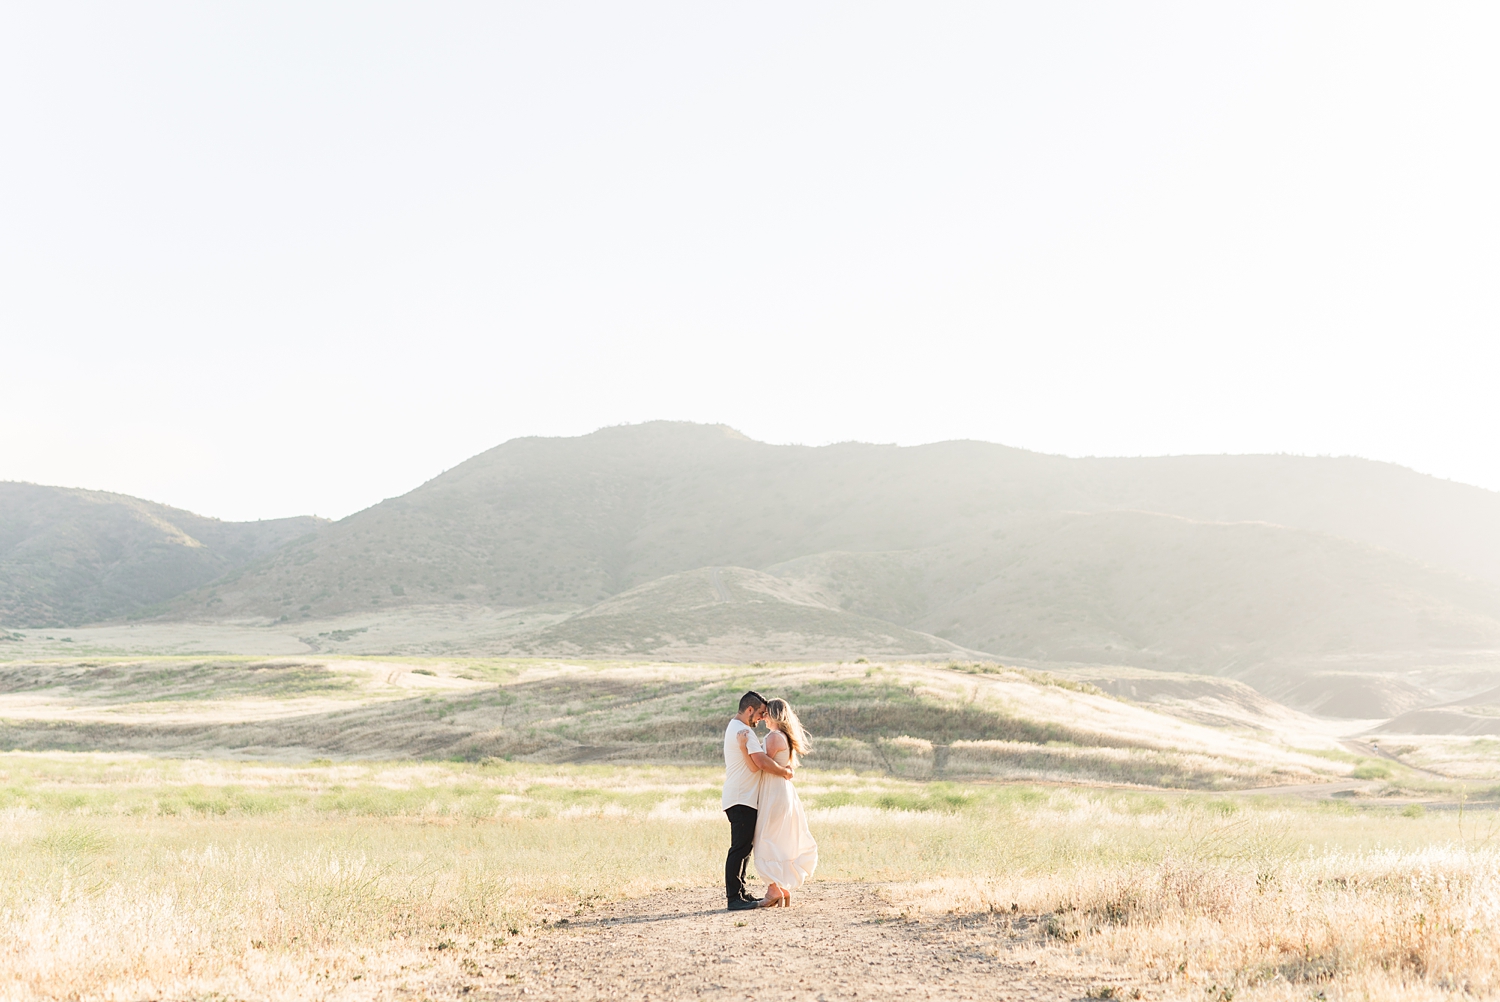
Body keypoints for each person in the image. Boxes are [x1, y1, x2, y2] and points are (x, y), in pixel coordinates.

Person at [722, 690, 794, 911]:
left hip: (742, 796)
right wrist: (784, 771)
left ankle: (741, 892)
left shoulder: (735, 727)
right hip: (742, 797)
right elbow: (759, 763)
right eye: (761, 713)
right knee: (739, 848)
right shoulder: (745, 732)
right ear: (750, 710)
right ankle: (734, 898)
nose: (762, 718)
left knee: (744, 847)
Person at [752, 698, 818, 907]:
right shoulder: (783, 737)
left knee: (764, 838)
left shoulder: (774, 737)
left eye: (766, 714)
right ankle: (779, 888)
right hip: (779, 790)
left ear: (774, 714)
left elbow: (762, 764)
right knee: (773, 839)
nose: (763, 718)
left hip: (774, 792)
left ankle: (774, 889)